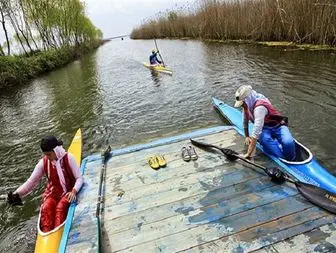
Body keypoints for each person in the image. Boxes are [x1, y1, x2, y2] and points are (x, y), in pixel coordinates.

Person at [8, 136, 83, 232]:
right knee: (46, 207)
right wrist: (16, 194)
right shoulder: (44, 162)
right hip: (53, 193)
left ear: (56, 150)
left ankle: (57, 232)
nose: (47, 157)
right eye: (45, 155)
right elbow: (31, 182)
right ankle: (47, 233)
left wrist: (74, 191)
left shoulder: (69, 158)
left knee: (60, 208)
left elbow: (79, 178)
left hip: (68, 192)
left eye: (49, 154)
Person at [234, 85, 296, 161]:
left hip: (278, 125)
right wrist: (247, 136)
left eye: (243, 104)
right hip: (264, 128)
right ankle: (282, 158)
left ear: (248, 99)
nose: (242, 106)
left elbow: (256, 131)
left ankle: (291, 159)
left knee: (288, 142)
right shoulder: (247, 106)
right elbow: (245, 120)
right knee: (264, 140)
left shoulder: (259, 107)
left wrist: (248, 154)